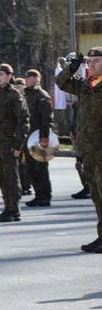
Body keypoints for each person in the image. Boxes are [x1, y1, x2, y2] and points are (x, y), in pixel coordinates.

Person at [56, 47, 102, 252]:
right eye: (89, 61)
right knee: (97, 196)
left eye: (96, 61)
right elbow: (61, 82)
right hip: (89, 150)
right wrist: (73, 65)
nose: (91, 65)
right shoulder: (85, 85)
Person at [0, 64, 29, 222]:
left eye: (2, 74)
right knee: (2, 176)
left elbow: (23, 121)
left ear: (9, 76)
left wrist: (18, 144)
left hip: (10, 143)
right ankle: (7, 207)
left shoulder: (14, 95)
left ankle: (14, 209)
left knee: (11, 176)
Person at [23, 70, 53, 207]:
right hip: (28, 137)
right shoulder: (26, 94)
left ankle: (45, 196)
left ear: (36, 79)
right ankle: (38, 194)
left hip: (38, 136)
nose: (26, 79)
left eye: (29, 77)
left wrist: (45, 136)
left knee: (40, 167)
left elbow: (47, 118)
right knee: (30, 168)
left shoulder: (42, 96)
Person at [13, 77, 33, 197]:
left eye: (19, 86)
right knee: (18, 163)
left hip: (28, 133)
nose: (17, 88)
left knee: (26, 162)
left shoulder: (27, 98)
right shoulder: (14, 98)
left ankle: (27, 186)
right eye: (15, 86)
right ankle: (22, 185)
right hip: (17, 133)